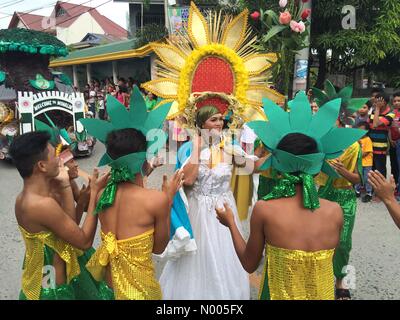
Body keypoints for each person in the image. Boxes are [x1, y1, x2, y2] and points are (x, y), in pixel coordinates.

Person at [216, 92, 364, 300]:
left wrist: (231, 222)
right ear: (317, 165)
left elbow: (249, 263)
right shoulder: (335, 211)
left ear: (278, 163)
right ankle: (342, 285)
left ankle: (343, 284)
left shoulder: (265, 210)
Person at [81, 86, 182, 300]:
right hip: (140, 293)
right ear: (145, 157)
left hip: (108, 290)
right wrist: (169, 197)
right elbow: (159, 247)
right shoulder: (157, 200)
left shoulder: (102, 195)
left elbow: (129, 186)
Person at [159, 105, 251, 300]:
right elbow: (189, 180)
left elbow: (250, 166)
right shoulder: (187, 148)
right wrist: (197, 148)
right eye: (213, 120)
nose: (219, 123)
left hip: (224, 211)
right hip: (198, 212)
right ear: (201, 124)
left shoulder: (228, 146)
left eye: (220, 119)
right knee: (198, 260)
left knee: (224, 258)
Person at [10, 131, 110, 300]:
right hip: (52, 291)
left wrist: (65, 186)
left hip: (47, 279)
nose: (59, 161)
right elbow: (83, 241)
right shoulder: (41, 204)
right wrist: (94, 194)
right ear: (41, 166)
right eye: (54, 157)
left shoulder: (25, 198)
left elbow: (67, 228)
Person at [316, 118, 362, 300]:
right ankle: (322, 276)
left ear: (340, 120)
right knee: (320, 240)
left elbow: (357, 179)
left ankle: (341, 281)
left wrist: (342, 171)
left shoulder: (353, 146)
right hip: (322, 196)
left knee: (343, 243)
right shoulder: (318, 142)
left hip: (344, 198)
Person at [368, 93, 394, 178]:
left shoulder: (390, 114)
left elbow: (375, 124)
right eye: (375, 102)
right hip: (370, 147)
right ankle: (371, 190)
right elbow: (370, 126)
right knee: (371, 172)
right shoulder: (373, 112)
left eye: (378, 102)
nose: (375, 104)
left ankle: (381, 190)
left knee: (380, 172)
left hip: (380, 149)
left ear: (384, 102)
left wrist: (377, 109)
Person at [354, 122, 374, 202]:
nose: (360, 133)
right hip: (359, 163)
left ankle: (369, 193)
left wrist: (357, 156)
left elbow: (367, 152)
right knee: (358, 177)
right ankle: (357, 191)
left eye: (362, 131)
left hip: (367, 163)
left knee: (366, 178)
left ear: (367, 131)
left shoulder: (367, 139)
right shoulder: (356, 140)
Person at [389, 92, 400, 192]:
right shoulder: (392, 113)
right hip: (393, 142)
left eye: (398, 101)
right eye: (395, 101)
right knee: (394, 164)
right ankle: (395, 184)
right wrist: (391, 139)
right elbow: (388, 128)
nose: (396, 103)